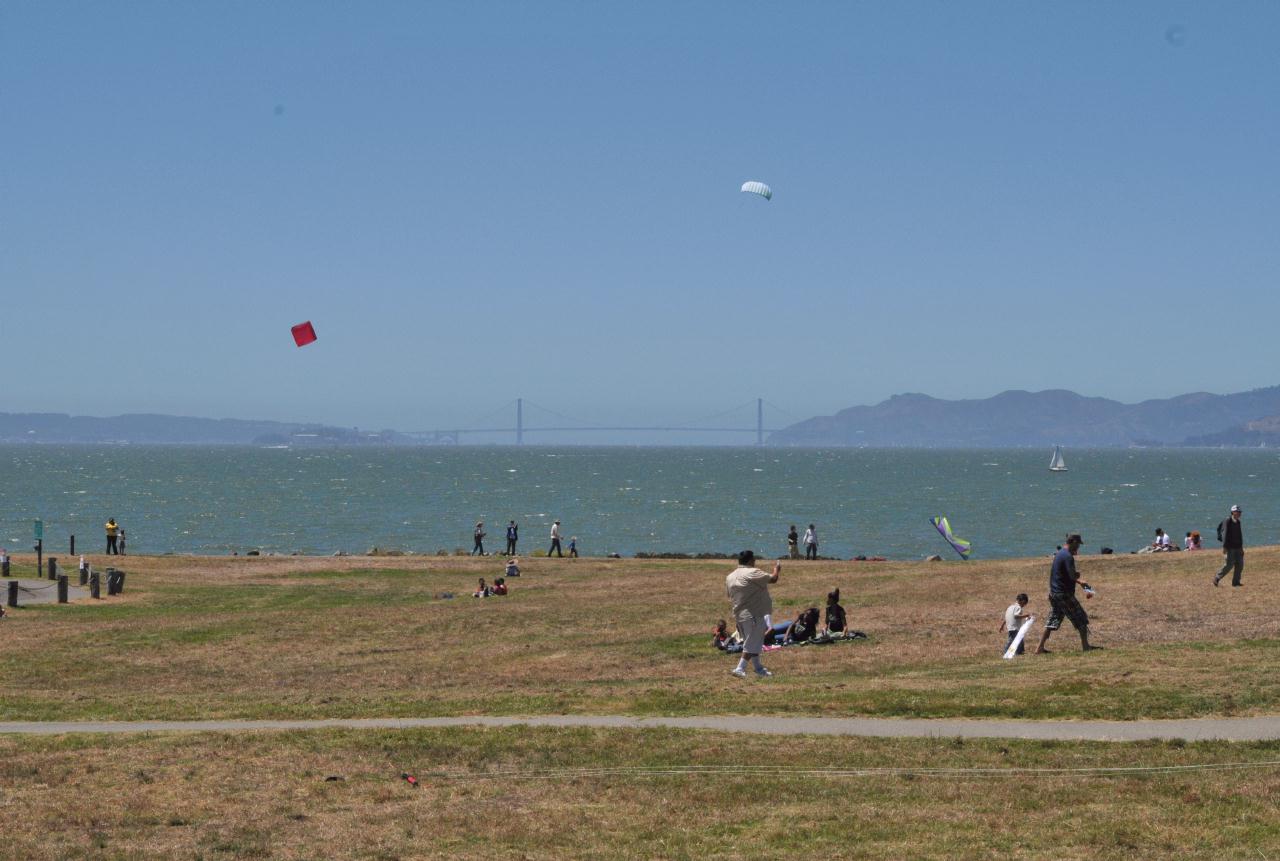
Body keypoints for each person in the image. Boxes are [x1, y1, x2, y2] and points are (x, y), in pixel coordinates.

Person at [1035, 534, 1096, 654]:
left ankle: (1039, 648)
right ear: (1072, 542)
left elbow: (1063, 574)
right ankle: (1086, 646)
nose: (1078, 547)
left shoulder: (1059, 554)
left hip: (1054, 593)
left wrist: (1077, 579)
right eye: (1078, 544)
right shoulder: (1068, 556)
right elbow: (1072, 575)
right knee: (1081, 618)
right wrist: (1079, 579)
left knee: (1053, 620)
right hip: (1064, 594)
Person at [725, 550, 780, 678]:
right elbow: (773, 579)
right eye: (754, 559)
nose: (755, 561)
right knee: (751, 643)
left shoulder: (730, 576)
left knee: (755, 641)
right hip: (753, 613)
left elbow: (729, 595)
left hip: (739, 614)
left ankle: (758, 668)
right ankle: (740, 668)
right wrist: (777, 569)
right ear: (750, 560)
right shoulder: (752, 572)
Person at [1214, 505, 1244, 587]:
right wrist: (1224, 547)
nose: (1239, 514)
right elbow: (1225, 534)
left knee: (1240, 564)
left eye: (1240, 512)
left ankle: (1236, 582)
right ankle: (1217, 578)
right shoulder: (1227, 520)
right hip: (1229, 547)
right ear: (1233, 512)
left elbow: (1239, 535)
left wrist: (1241, 547)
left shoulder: (1238, 522)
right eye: (1237, 512)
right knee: (1229, 564)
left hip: (1238, 547)